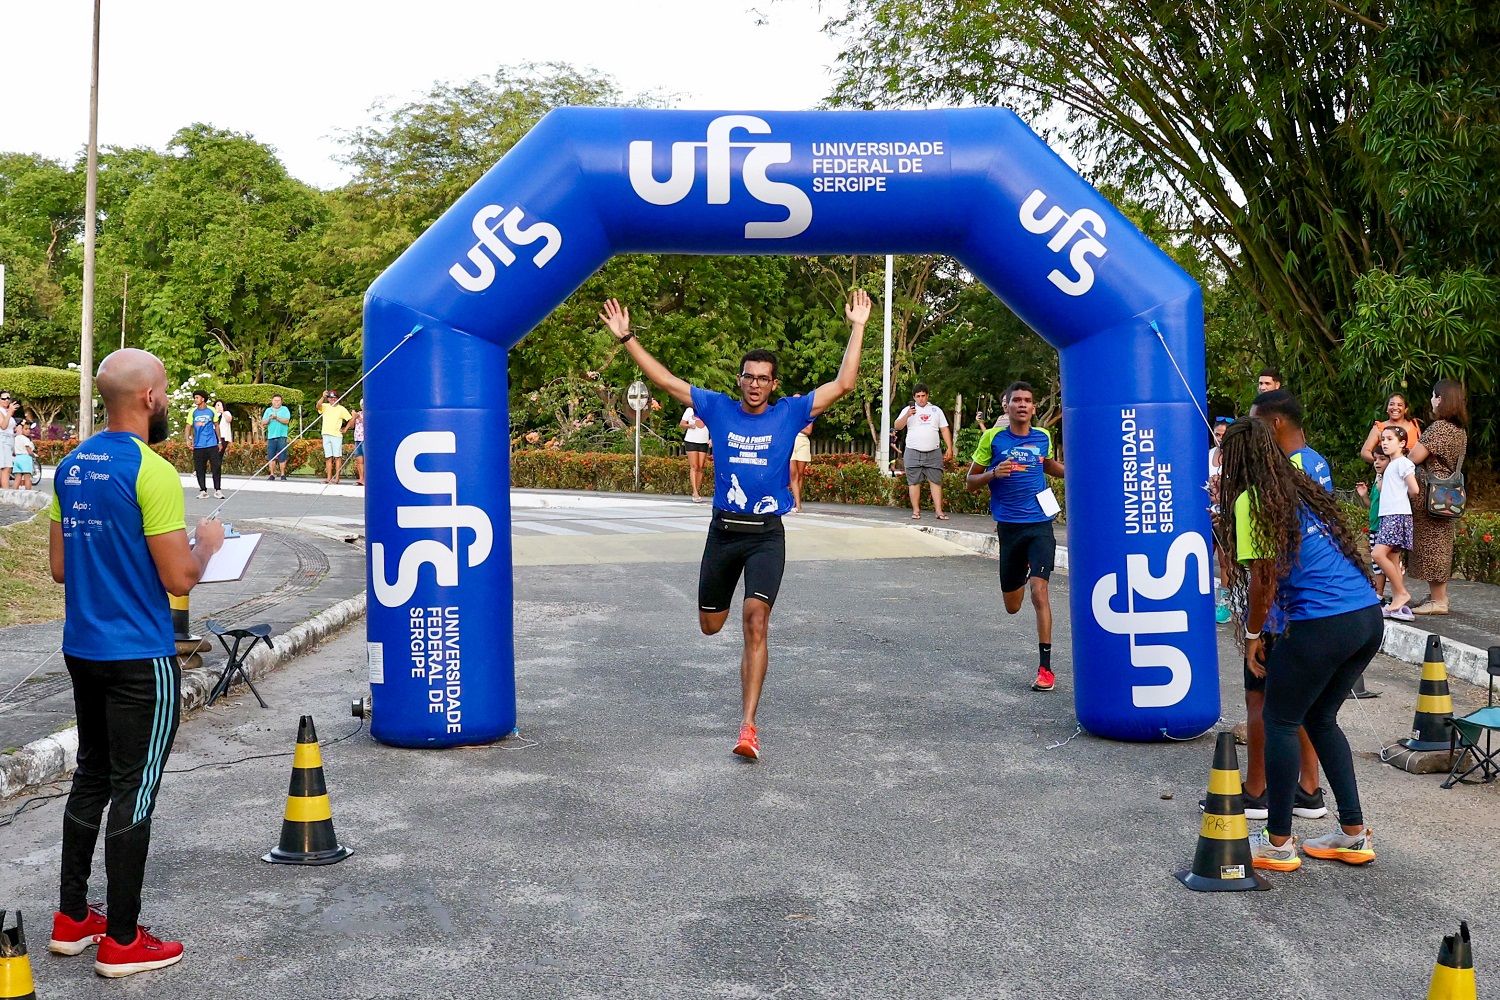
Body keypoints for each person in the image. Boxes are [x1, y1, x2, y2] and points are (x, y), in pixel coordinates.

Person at [599, 289, 872, 761]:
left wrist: (858, 327)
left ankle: (748, 726)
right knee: (711, 626)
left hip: (766, 535)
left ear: (774, 384)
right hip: (723, 533)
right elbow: (665, 380)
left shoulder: (790, 412)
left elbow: (844, 384)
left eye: (763, 378)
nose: (754, 384)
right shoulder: (718, 408)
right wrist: (627, 338)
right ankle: (734, 672)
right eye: (748, 376)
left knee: (756, 622)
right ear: (740, 379)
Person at [46, 348, 225, 978]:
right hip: (139, 655)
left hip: (83, 648)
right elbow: (179, 576)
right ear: (149, 398)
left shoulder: (70, 466)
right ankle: (122, 939)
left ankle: (73, 919)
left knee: (91, 775)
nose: (169, 400)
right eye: (168, 390)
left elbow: (61, 568)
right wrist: (205, 545)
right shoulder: (150, 470)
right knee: (135, 787)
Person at [1218, 417, 1381, 872]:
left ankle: (1278, 842)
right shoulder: (1301, 487)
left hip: (1321, 624)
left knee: (1280, 720)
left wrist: (1252, 636)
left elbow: (1263, 583)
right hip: (1366, 618)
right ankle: (1352, 833)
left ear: (1235, 461)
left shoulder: (1253, 501)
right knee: (1320, 717)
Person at [1239, 388, 1332, 818]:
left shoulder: (1275, 474)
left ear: (1274, 423)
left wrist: (1253, 628)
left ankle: (1257, 790)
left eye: (1256, 424)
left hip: (1280, 605)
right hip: (1312, 603)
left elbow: (1266, 562)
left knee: (1261, 700)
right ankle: (1308, 788)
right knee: (1306, 705)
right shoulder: (1316, 461)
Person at [965, 381, 1065, 692]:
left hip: (1039, 526)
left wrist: (1083, 469)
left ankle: (1045, 669)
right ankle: (1021, 571)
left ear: (1034, 408)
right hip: (1008, 529)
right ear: (1006, 406)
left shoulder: (1042, 437)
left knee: (1040, 593)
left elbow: (1047, 465)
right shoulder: (992, 438)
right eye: (1016, 400)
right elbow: (970, 482)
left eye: (1028, 400)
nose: (1022, 405)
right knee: (1012, 606)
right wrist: (994, 473)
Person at [1407, 379, 1469, 615]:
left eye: (1434, 396)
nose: (1432, 401)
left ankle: (1439, 601)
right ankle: (1436, 596)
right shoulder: (1459, 430)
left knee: (1433, 544)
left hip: (1433, 492)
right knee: (1439, 542)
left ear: (1441, 399)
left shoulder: (1440, 428)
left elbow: (1414, 456)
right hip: (1446, 493)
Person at [1370, 426, 1420, 620]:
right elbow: (1383, 489)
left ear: (1402, 443)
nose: (1384, 442)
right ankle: (1399, 600)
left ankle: (1401, 593)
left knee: (1378, 553)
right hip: (1389, 516)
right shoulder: (1391, 465)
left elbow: (1414, 489)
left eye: (1390, 439)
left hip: (1396, 516)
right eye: (1383, 439)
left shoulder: (1402, 463)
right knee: (1391, 559)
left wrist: (1401, 499)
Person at [1249, 390, 1332, 493]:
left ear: (1275, 424)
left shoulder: (1292, 471)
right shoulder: (1317, 459)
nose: (1252, 430)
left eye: (1255, 423)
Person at [894, 384, 955, 520]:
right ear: (914, 397)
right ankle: (916, 511)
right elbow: (897, 426)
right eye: (918, 396)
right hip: (913, 450)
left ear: (927, 395)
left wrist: (949, 448)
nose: (921, 399)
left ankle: (939, 512)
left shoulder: (936, 410)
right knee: (914, 482)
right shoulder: (908, 410)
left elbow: (944, 429)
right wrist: (907, 415)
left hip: (933, 451)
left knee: (936, 481)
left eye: (923, 396)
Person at [1355, 448, 1391, 601]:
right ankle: (1378, 595)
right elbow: (1372, 505)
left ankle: (1387, 595)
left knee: (1385, 564)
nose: (1377, 462)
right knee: (1377, 565)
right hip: (1374, 527)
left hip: (1385, 527)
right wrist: (1364, 496)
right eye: (1375, 459)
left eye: (1382, 459)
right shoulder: (1378, 479)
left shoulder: (1390, 479)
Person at [1209, 417, 1233, 624]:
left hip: (1226, 517)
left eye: (1224, 436)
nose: (1220, 439)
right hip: (1205, 515)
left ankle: (1225, 604)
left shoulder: (1236, 459)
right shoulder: (1207, 456)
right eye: (1217, 435)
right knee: (1203, 557)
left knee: (1225, 562)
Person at [1358, 393, 1421, 466]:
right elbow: (1365, 452)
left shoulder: (1414, 424)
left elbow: (1421, 448)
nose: (1395, 407)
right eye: (1391, 404)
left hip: (1412, 470)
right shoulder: (1379, 427)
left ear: (1405, 410)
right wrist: (1382, 463)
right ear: (1387, 409)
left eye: (1399, 405)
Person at [186, 390, 222, 499]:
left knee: (216, 467)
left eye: (197, 397)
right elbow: (188, 427)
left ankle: (218, 490)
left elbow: (216, 426)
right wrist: (187, 439)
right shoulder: (193, 412)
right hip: (198, 445)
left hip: (211, 444)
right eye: (195, 397)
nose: (195, 399)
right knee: (200, 468)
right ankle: (203, 490)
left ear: (203, 399)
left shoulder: (211, 410)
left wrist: (219, 441)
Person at [317, 390, 353, 484]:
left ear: (337, 398)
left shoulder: (341, 409)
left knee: (337, 457)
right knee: (328, 457)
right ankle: (328, 478)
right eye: (331, 398)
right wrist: (323, 397)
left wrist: (345, 429)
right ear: (328, 399)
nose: (333, 400)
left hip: (336, 435)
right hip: (326, 434)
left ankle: (336, 479)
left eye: (334, 398)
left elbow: (350, 419)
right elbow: (318, 406)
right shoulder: (325, 406)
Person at [679, 404, 711, 502]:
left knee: (701, 466)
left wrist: (712, 439)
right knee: (694, 466)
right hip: (691, 440)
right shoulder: (689, 410)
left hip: (703, 441)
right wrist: (689, 425)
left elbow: (713, 426)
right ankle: (695, 491)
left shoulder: (709, 411)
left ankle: (696, 490)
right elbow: (681, 424)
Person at [261, 394, 291, 481]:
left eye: (278, 401)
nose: (276, 402)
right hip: (271, 436)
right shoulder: (268, 410)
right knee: (271, 456)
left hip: (282, 436)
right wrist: (269, 419)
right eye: (275, 400)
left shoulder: (284, 409)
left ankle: (282, 474)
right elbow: (263, 422)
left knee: (282, 456)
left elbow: (286, 421)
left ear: (281, 401)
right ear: (272, 401)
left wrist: (277, 418)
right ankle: (272, 474)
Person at [788, 421, 813, 513]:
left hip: (803, 443)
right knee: (793, 474)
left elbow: (808, 431)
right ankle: (796, 503)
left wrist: (795, 425)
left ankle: (797, 503)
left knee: (800, 474)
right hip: (790, 441)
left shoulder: (807, 414)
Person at [11, 420, 36, 490]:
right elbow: (29, 451)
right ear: (21, 429)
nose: (28, 431)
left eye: (29, 429)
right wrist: (33, 456)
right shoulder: (25, 439)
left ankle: (14, 493)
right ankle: (29, 493)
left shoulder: (16, 438)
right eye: (26, 429)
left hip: (17, 458)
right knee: (27, 478)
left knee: (17, 478)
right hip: (26, 458)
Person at [0, 391, 16, 490]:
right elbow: (3, 426)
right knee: (6, 468)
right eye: (3, 398)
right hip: (3, 440)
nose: (6, 400)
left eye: (8, 398)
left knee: (6, 468)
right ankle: (5, 494)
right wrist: (10, 412)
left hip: (9, 440)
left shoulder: (6, 411)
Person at [350, 405, 366, 487]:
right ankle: (361, 478)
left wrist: (359, 418)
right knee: (359, 460)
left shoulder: (368, 414)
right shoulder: (358, 413)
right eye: (362, 405)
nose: (363, 406)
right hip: (357, 438)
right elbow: (352, 426)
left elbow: (368, 425)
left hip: (365, 439)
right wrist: (354, 417)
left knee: (366, 460)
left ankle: (367, 479)